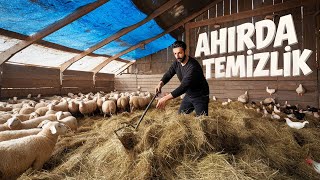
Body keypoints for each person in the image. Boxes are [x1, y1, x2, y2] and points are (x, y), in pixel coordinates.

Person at [155, 40, 210, 116]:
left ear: (184, 51)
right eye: (175, 53)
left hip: (200, 96)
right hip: (189, 94)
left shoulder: (193, 67)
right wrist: (160, 83)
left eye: (179, 53)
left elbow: (183, 87)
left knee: (202, 121)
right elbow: (169, 73)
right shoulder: (177, 62)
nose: (177, 56)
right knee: (180, 116)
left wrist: (164, 98)